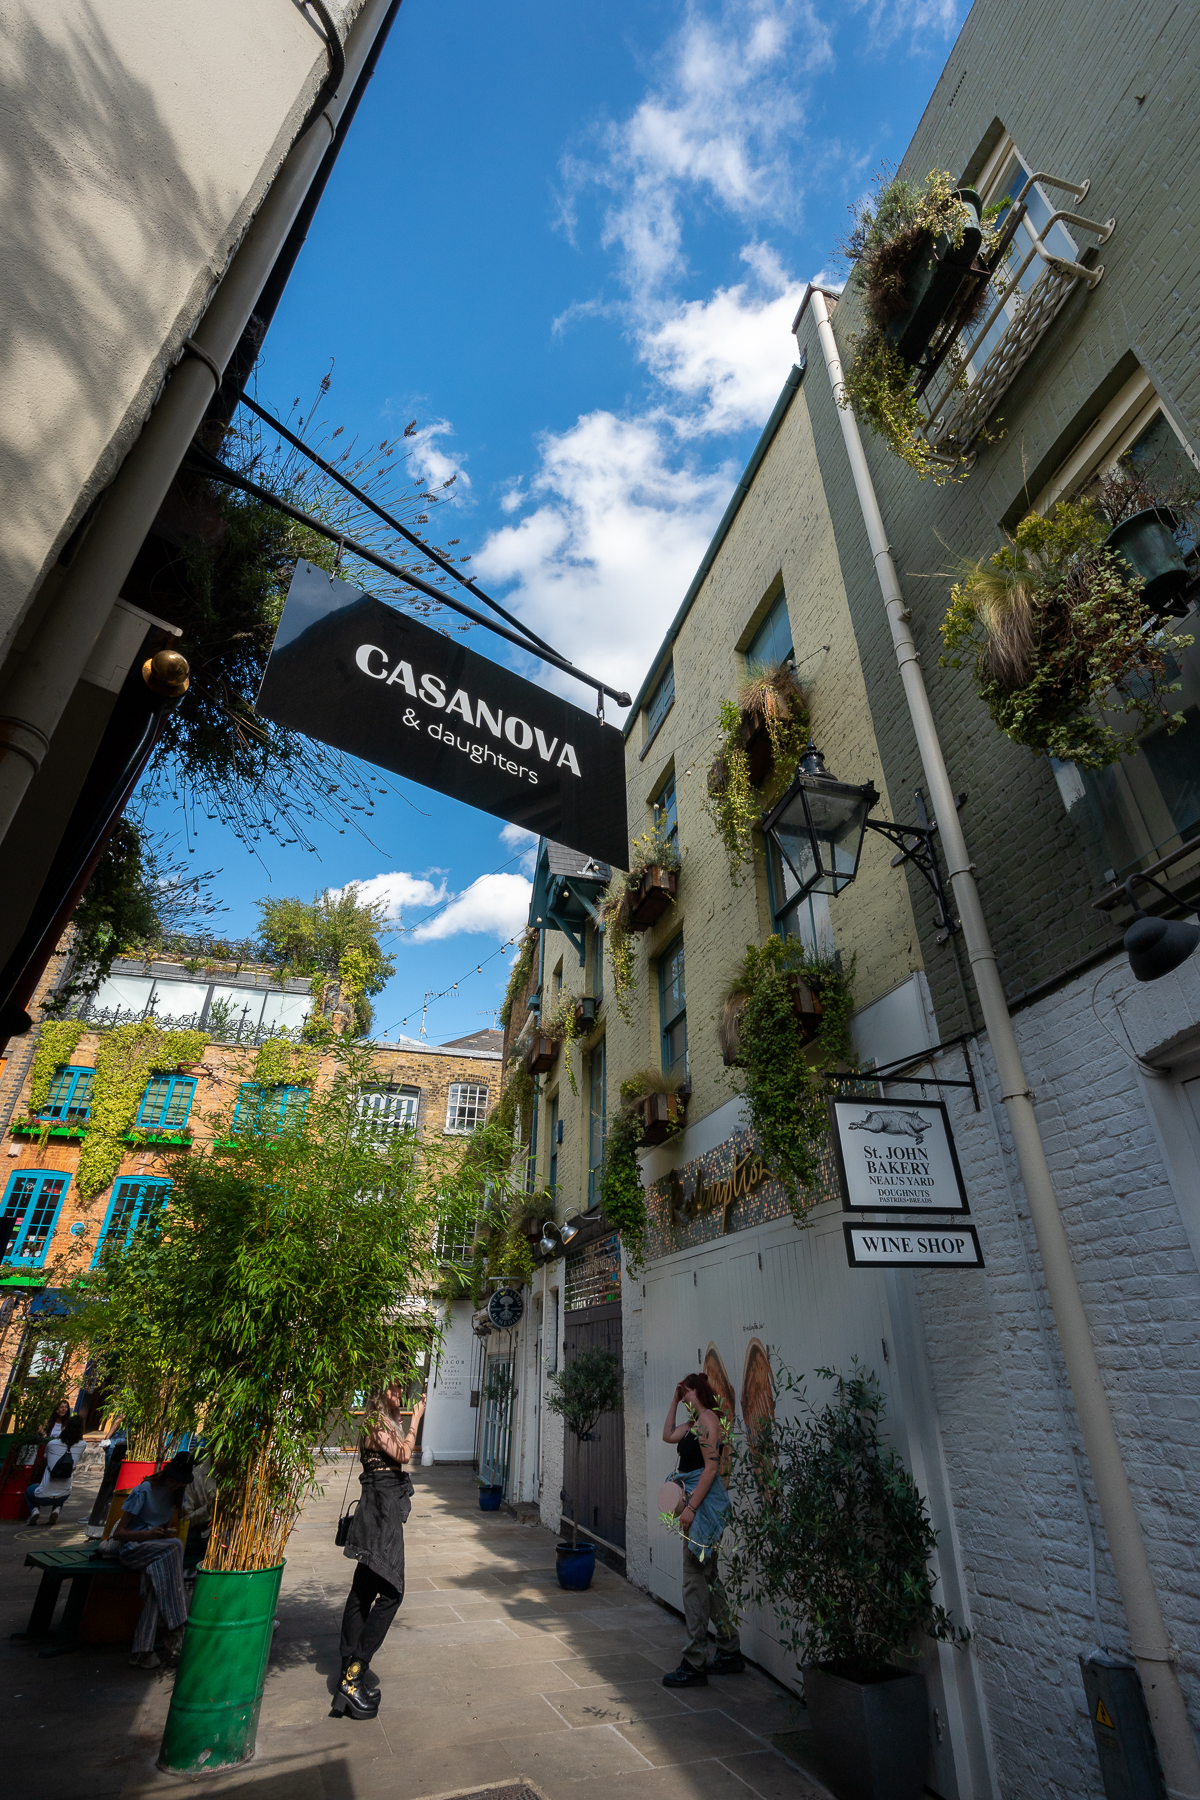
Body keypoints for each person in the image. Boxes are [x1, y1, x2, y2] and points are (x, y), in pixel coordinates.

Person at [333, 1383, 426, 1719]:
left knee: (363, 1589)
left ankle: (348, 1674)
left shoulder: (385, 1422)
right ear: (381, 1393)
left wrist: (402, 1420)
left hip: (378, 1510)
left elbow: (398, 1450)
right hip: (379, 1514)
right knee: (391, 1592)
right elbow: (403, 1454)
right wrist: (416, 1420)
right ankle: (354, 1672)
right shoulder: (374, 1422)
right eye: (395, 1391)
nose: (400, 1396)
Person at [661, 1372, 744, 1688]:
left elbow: (711, 1468)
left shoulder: (709, 1420)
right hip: (697, 1506)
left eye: (685, 1390)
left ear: (696, 1390)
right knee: (709, 1580)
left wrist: (691, 1507)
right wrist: (673, 1397)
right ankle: (730, 1651)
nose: (682, 1396)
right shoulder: (694, 1423)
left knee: (694, 1581)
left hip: (703, 1510)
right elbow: (667, 1434)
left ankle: (694, 1663)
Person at [113, 1452, 193, 1668]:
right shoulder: (143, 1491)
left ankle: (142, 1651)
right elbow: (118, 1533)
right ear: (166, 1475)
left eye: (180, 1482)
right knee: (176, 1547)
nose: (176, 1485)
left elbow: (163, 1526)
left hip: (157, 1551)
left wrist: (162, 1534)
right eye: (174, 1480)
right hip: (133, 1549)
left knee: (156, 1587)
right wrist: (147, 1535)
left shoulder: (177, 1495)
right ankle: (177, 1623)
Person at [25, 1418, 85, 1525]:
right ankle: (56, 1509)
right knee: (62, 1489)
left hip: (42, 1496)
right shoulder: (82, 1445)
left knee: (28, 1491)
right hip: (64, 1495)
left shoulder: (52, 1443)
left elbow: (45, 1456)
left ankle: (34, 1510)